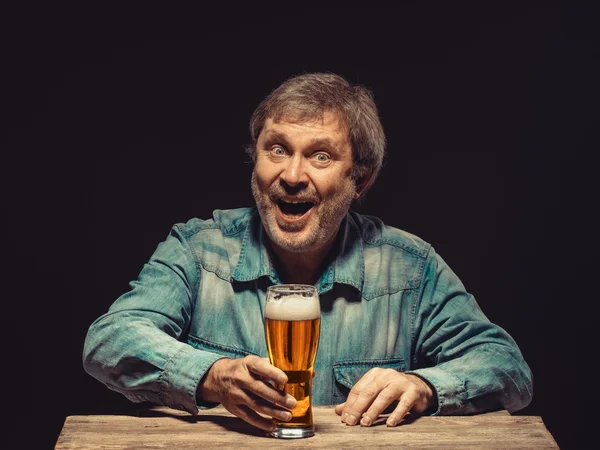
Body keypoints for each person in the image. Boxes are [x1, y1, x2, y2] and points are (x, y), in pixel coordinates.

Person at [83, 72, 533, 432]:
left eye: (320, 156)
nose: (292, 175)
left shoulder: (410, 267)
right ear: (254, 159)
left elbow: (507, 367)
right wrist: (212, 375)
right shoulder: (199, 249)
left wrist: (424, 386)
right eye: (277, 149)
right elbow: (110, 338)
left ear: (361, 180)